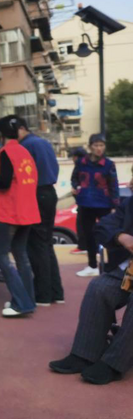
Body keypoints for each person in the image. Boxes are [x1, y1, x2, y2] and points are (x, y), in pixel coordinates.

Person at [50, 170, 133, 384]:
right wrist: (121, 236)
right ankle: (85, 353)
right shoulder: (129, 204)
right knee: (99, 287)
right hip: (128, 270)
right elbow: (103, 226)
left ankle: (114, 363)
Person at [0, 116, 40, 318]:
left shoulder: (6, 152)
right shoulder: (25, 151)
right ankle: (27, 300)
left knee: (0, 254)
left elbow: (4, 182)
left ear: (0, 134)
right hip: (28, 211)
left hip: (10, 212)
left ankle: (22, 303)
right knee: (20, 255)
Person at [16, 118, 65, 305]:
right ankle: (56, 292)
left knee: (37, 246)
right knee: (46, 244)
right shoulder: (43, 142)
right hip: (49, 193)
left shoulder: (26, 146)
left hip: (36, 194)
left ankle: (42, 294)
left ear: (22, 129)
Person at [71, 134, 120, 277]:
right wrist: (76, 187)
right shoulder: (81, 162)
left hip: (104, 204)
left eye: (102, 145)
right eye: (96, 145)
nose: (99, 148)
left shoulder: (109, 164)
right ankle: (92, 265)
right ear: (90, 146)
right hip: (85, 203)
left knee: (109, 234)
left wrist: (115, 205)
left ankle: (113, 265)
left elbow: (113, 185)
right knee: (89, 236)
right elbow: (74, 177)